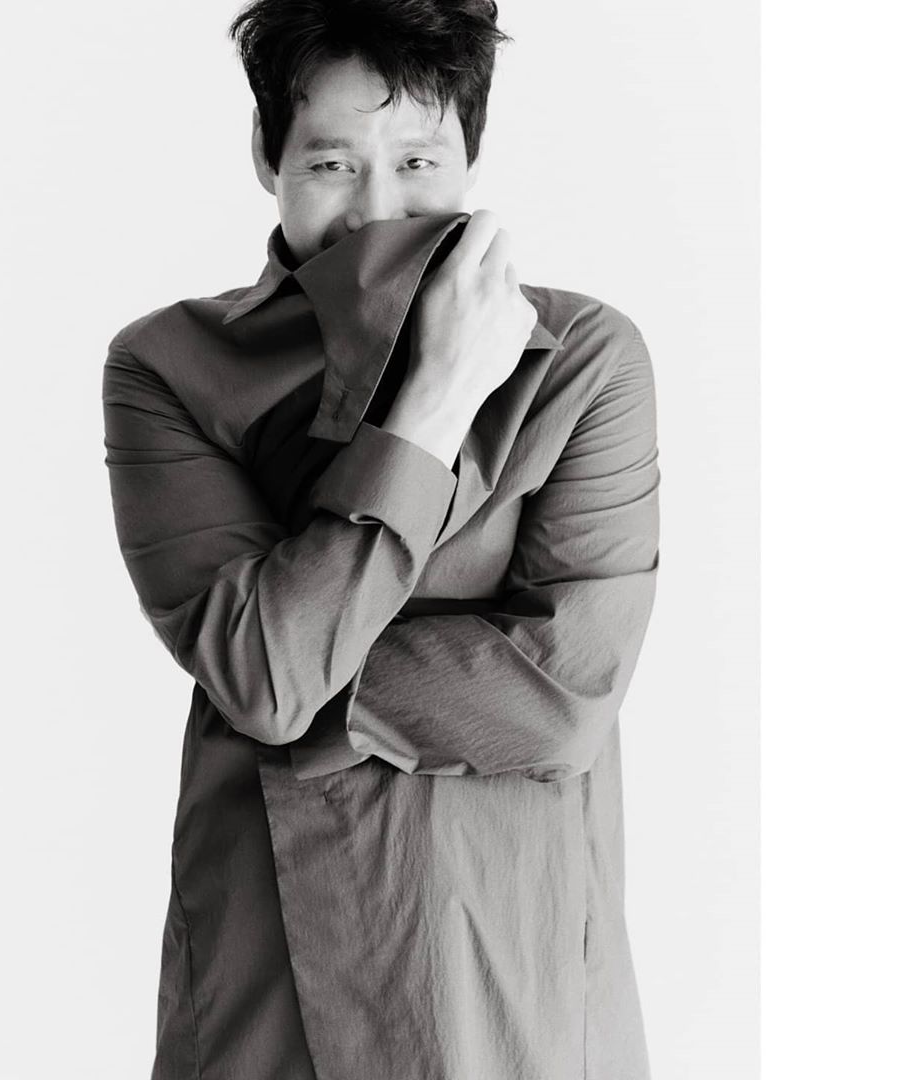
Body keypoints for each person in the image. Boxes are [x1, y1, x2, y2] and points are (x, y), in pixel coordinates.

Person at [101, 1, 661, 1077]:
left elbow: (561, 701)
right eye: (331, 164)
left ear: (471, 156)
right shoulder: (168, 367)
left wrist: (305, 671)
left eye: (417, 162)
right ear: (266, 153)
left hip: (516, 960)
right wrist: (434, 405)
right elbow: (266, 676)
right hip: (271, 957)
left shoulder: (583, 359)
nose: (377, 211)